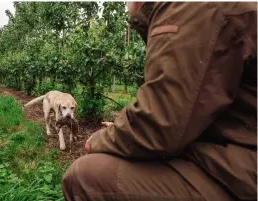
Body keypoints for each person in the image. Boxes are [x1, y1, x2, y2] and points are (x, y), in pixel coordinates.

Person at [62, 2, 257, 201]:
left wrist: (98, 140)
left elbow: (160, 123)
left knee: (85, 178)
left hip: (240, 174)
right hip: (234, 155)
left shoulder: (190, 7)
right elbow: (190, 105)